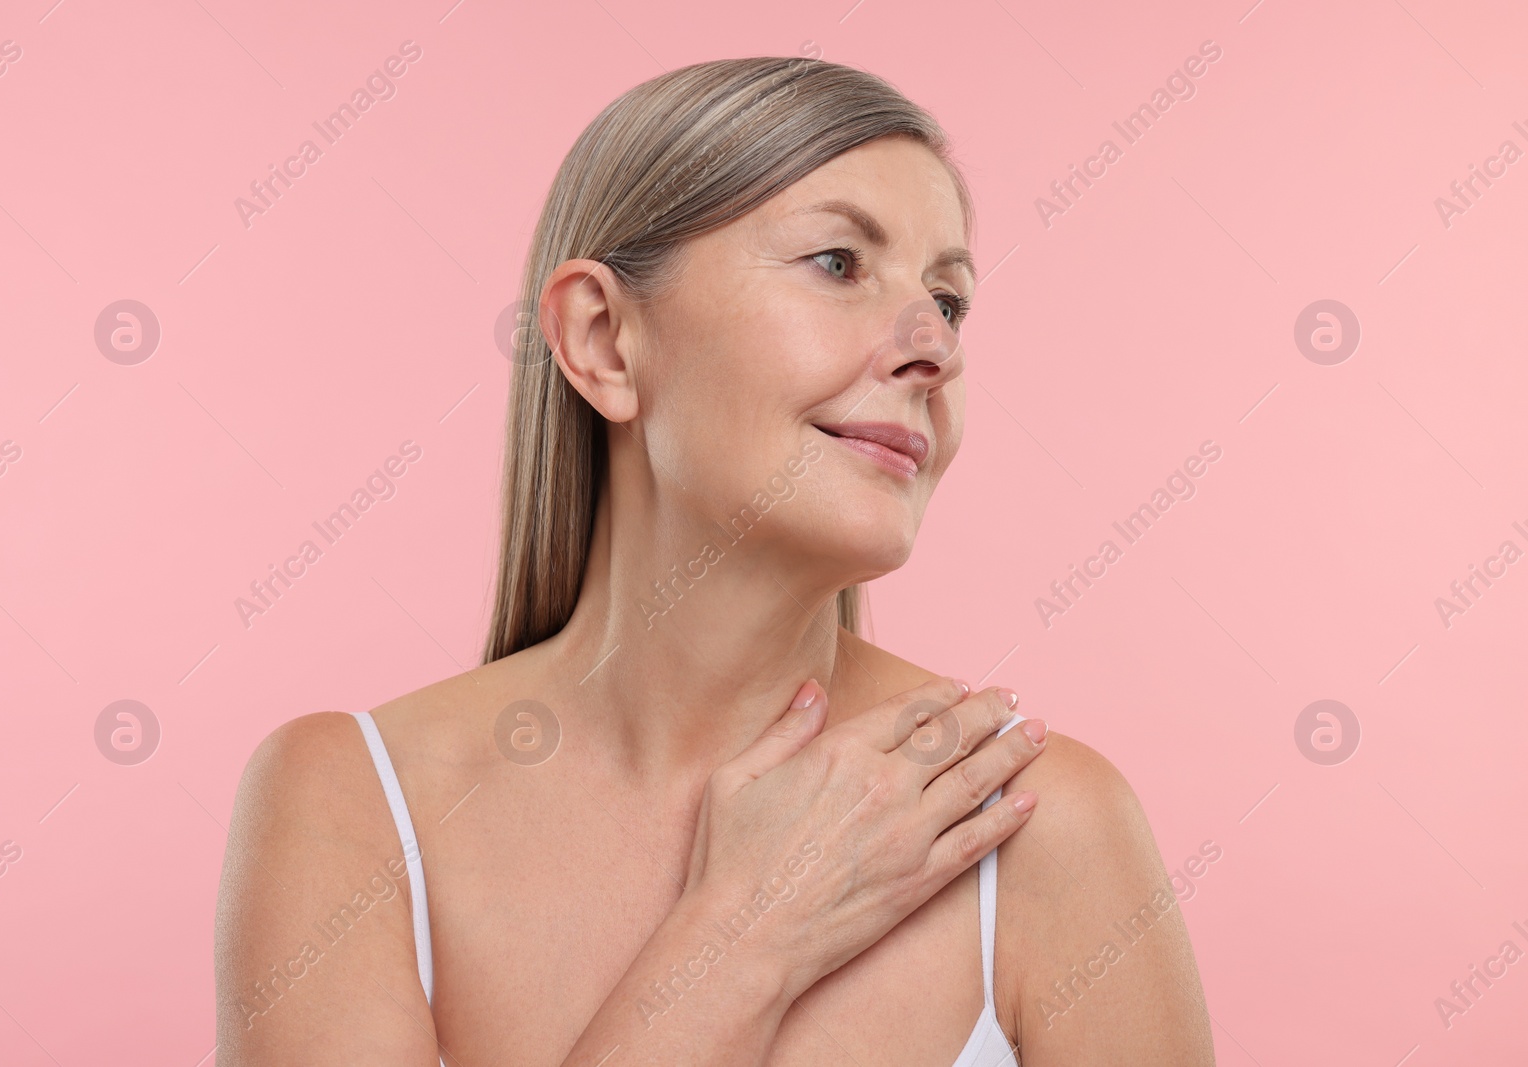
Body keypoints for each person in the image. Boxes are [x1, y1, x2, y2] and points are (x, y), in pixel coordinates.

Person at [215, 56, 1215, 1065]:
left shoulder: (1042, 827)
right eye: (837, 262)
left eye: (948, 300)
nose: (932, 349)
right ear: (603, 338)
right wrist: (746, 933)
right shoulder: (346, 805)